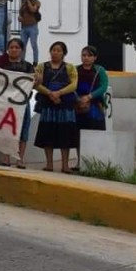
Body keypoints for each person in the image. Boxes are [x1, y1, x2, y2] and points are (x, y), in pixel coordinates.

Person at [34, 41, 79, 173]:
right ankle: (49, 164)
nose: (55, 53)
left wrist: (59, 93)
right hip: (48, 104)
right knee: (48, 132)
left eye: (59, 50)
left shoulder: (70, 68)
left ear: (64, 53)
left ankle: (65, 165)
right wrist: (50, 93)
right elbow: (35, 83)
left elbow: (74, 85)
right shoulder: (41, 67)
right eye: (53, 50)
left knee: (65, 134)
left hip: (65, 105)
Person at [0, 38, 35, 168]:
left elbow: (34, 84)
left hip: (23, 104)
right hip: (6, 103)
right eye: (11, 47)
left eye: (17, 47)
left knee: (23, 131)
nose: (14, 50)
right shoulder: (2, 66)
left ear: (21, 50)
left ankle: (20, 159)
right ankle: (6, 157)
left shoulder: (28, 66)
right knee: (6, 130)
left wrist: (39, 79)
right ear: (8, 49)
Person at [75, 45, 109, 132]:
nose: (86, 58)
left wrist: (89, 97)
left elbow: (104, 86)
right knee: (77, 134)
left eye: (89, 55)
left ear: (95, 57)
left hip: (95, 105)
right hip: (77, 105)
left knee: (95, 133)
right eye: (84, 55)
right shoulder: (75, 69)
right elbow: (70, 84)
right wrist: (78, 99)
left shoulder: (100, 70)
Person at [19, 0, 41, 64]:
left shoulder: (36, 2)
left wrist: (28, 0)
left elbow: (33, 10)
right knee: (22, 45)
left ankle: (35, 61)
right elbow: (20, 14)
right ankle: (21, 60)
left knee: (33, 44)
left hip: (33, 27)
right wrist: (20, 18)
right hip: (24, 27)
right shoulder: (23, 4)